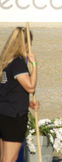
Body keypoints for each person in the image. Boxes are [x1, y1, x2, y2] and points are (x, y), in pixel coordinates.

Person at [0, 27, 39, 162]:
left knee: (3, 157)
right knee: (10, 159)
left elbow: (8, 90)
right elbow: (30, 87)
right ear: (26, 44)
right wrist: (34, 65)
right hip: (13, 116)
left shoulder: (5, 62)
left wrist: (27, 102)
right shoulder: (18, 63)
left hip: (3, 112)